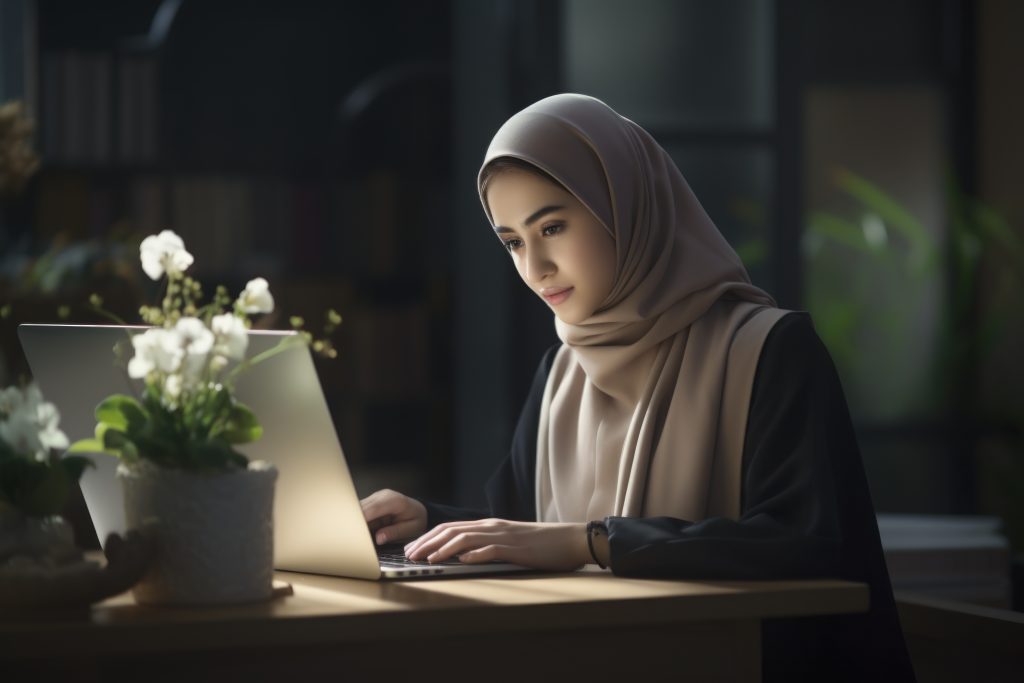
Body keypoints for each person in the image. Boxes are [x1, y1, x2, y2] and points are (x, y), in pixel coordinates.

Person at [360, 94, 916, 681]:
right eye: (514, 242)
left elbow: (799, 541)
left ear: (625, 207)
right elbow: (526, 532)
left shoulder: (770, 349)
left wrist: (594, 543)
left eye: (552, 227)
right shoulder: (562, 371)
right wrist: (427, 521)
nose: (535, 267)